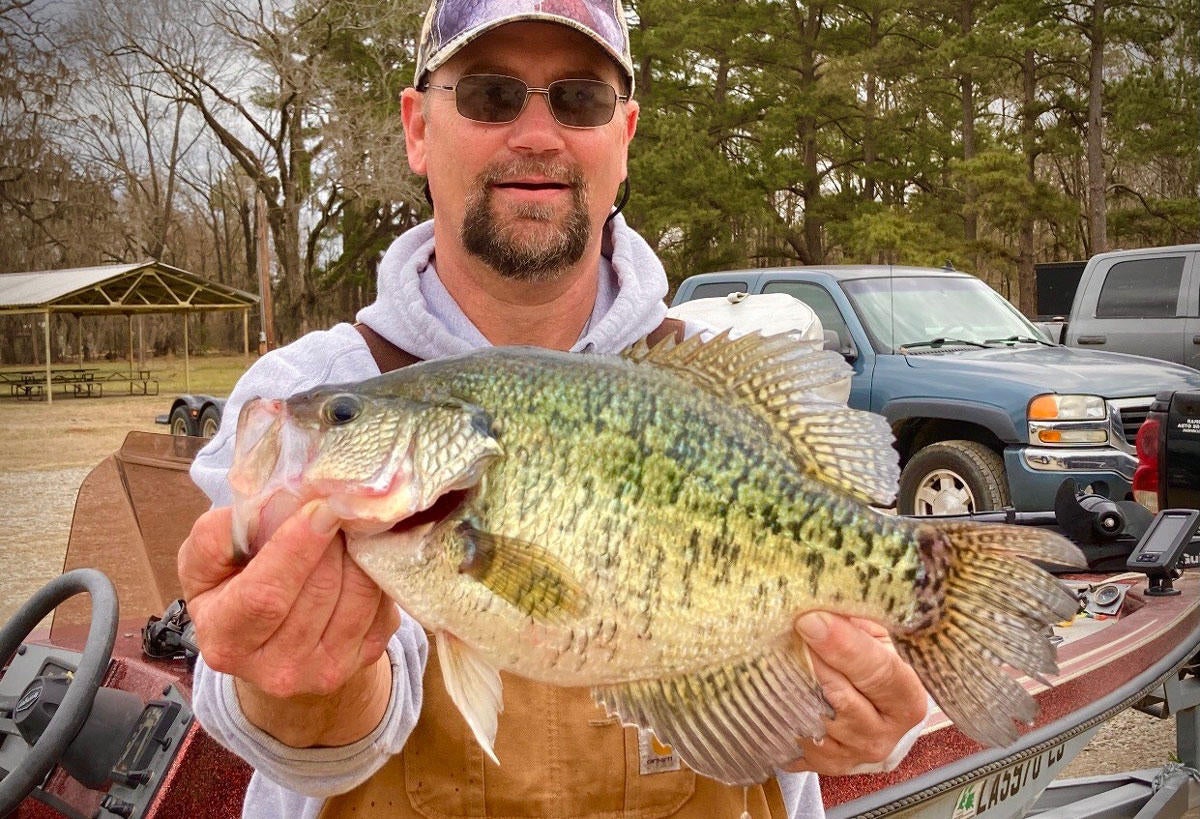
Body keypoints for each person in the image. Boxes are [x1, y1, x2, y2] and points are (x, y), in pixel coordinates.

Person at [176, 1, 930, 817]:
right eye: (491, 96)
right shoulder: (310, 384)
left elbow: (823, 709)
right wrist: (301, 693)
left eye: (578, 99)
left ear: (625, 136)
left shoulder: (714, 375)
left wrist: (867, 715)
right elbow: (268, 722)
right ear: (418, 127)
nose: (536, 134)